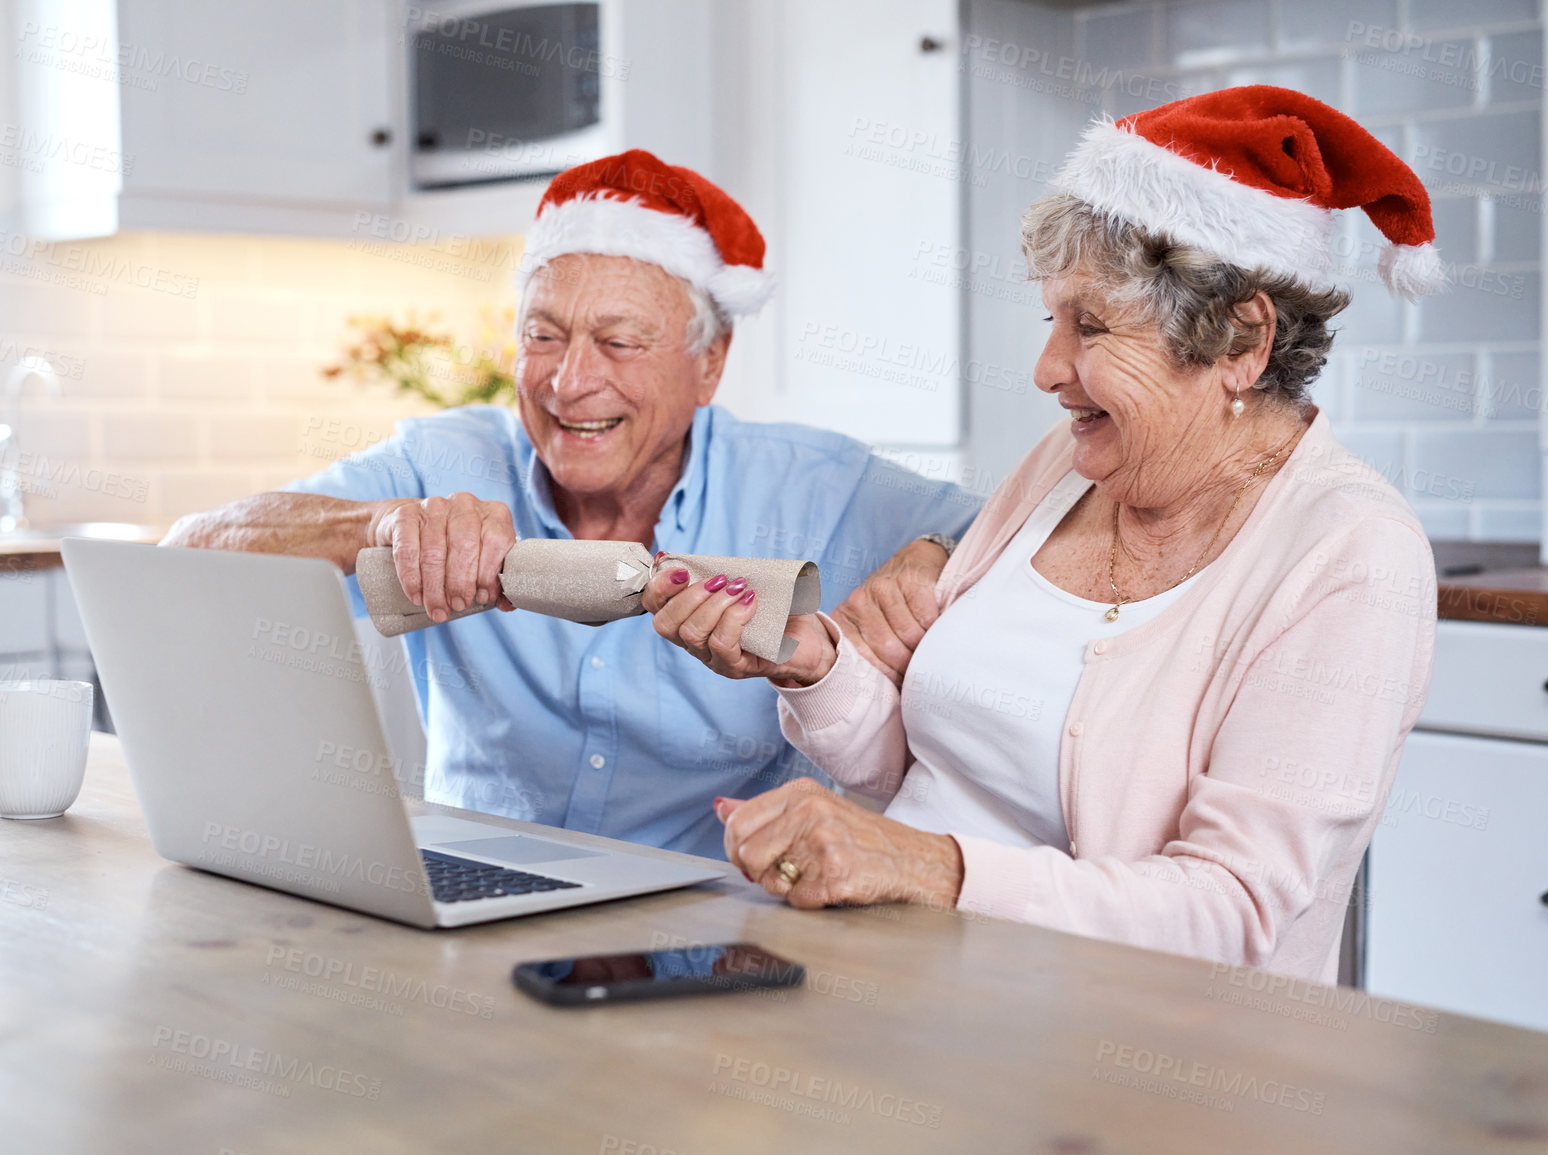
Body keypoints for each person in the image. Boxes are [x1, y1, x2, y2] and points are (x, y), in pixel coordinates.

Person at [644, 87, 1443, 982]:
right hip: (902, 985)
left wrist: (927, 867)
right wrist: (815, 664)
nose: (1046, 368)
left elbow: (1232, 913)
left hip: (1130, 1059)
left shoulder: (1351, 554)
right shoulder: (1067, 466)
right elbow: (915, 765)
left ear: (1240, 339)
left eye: (1090, 325)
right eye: (1050, 319)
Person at [163, 150, 979, 859]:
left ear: (709, 363)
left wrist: (937, 547)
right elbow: (191, 549)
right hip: (477, 906)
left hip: (718, 925)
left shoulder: (816, 487)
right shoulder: (446, 458)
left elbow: (1044, 518)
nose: (568, 381)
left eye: (619, 342)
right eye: (543, 336)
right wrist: (377, 524)